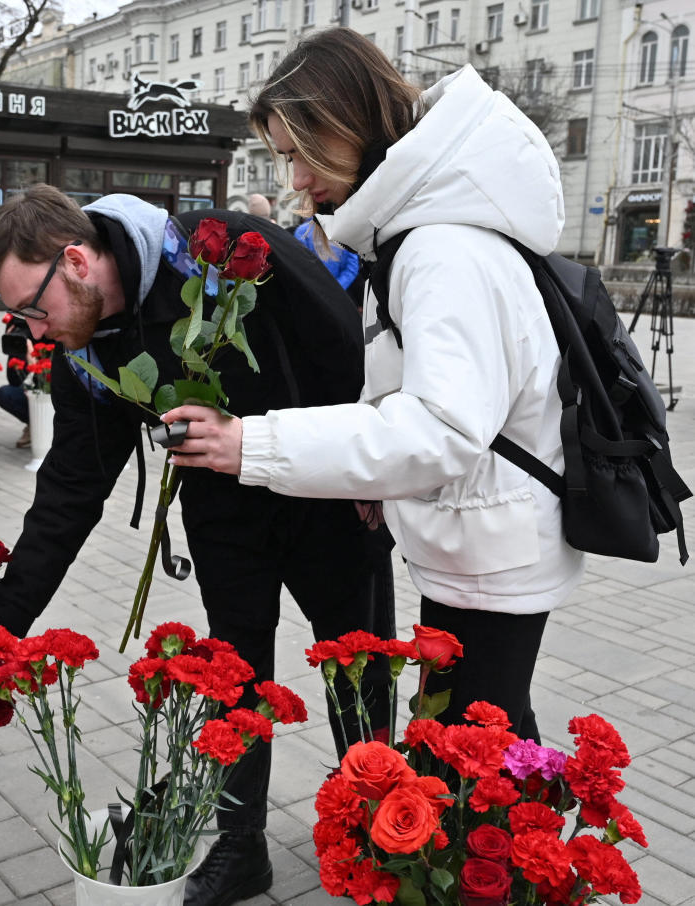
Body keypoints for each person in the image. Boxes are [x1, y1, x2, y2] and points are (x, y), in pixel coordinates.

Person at [0, 183, 396, 906]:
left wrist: (371, 461)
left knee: (358, 664)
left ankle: (379, 827)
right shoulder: (86, 347)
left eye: (33, 309)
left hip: (329, 495)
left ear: (74, 260)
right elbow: (71, 485)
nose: (33, 333)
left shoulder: (218, 250)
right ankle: (240, 846)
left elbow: (342, 341)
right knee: (236, 677)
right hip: (226, 513)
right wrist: (5, 614)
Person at [163, 28, 584, 747]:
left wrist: (249, 444)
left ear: (344, 124)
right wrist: (372, 479)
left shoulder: (440, 247)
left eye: (297, 153)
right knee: (496, 754)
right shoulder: (421, 230)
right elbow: (412, 392)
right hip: (479, 539)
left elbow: (440, 429)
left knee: (472, 774)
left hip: (489, 552)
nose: (294, 178)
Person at [0, 315, 31, 447]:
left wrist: (34, 360)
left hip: (50, 390)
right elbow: (13, 380)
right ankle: (34, 424)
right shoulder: (18, 318)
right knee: (5, 394)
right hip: (26, 387)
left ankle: (48, 425)